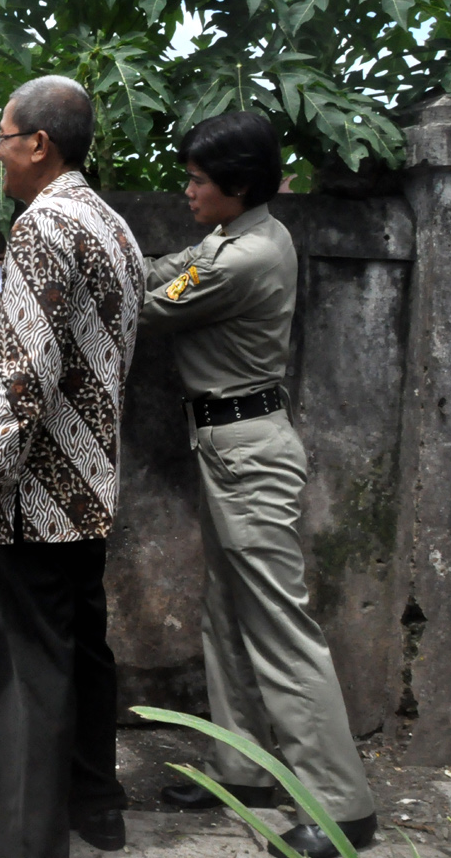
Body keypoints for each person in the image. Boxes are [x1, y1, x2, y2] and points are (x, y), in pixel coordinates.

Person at [0, 76, 145, 858]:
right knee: (79, 655)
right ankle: (93, 810)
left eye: (2, 137)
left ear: (37, 143)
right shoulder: (111, 226)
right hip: (89, 491)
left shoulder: (42, 227)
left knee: (25, 683)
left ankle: (22, 844)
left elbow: (22, 380)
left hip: (33, 501)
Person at [141, 112, 377, 857]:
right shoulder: (233, 234)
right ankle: (240, 770)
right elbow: (166, 265)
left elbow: (144, 304)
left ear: (236, 186)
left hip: (248, 453)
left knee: (279, 629)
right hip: (223, 444)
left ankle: (342, 807)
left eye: (198, 181)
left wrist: (83, 262)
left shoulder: (241, 259)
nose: (187, 191)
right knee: (228, 616)